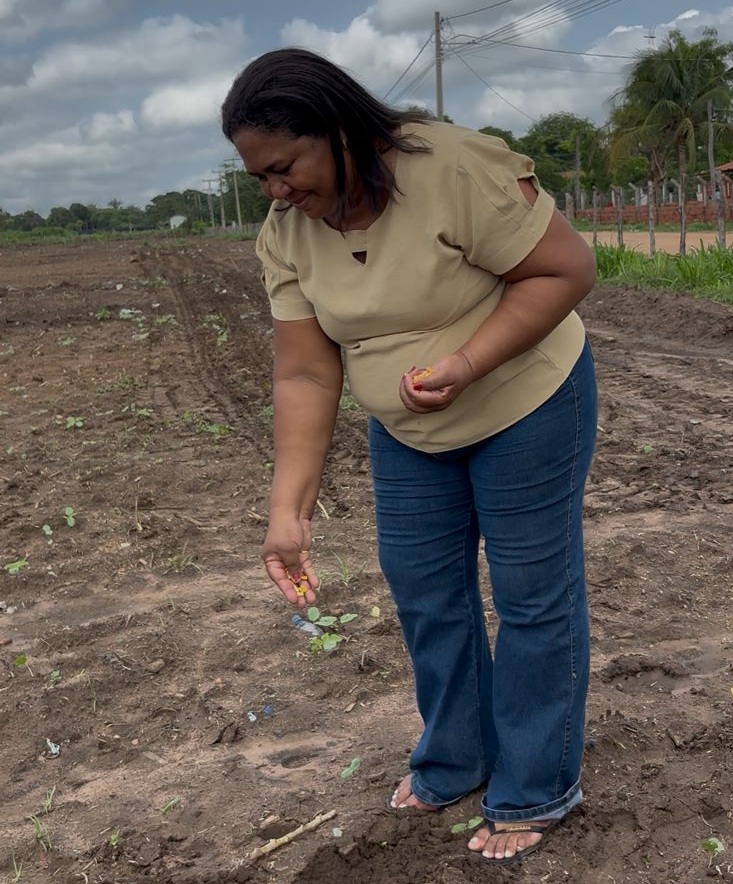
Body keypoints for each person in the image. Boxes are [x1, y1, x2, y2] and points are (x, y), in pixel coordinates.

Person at [221, 47, 597, 866]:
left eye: (284, 167)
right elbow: (305, 369)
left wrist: (469, 361)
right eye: (261, 178)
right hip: (409, 432)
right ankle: (457, 756)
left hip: (525, 400)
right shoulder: (287, 233)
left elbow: (564, 268)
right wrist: (287, 512)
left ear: (339, 131)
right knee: (426, 594)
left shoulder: (454, 169)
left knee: (533, 598)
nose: (276, 191)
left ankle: (535, 785)